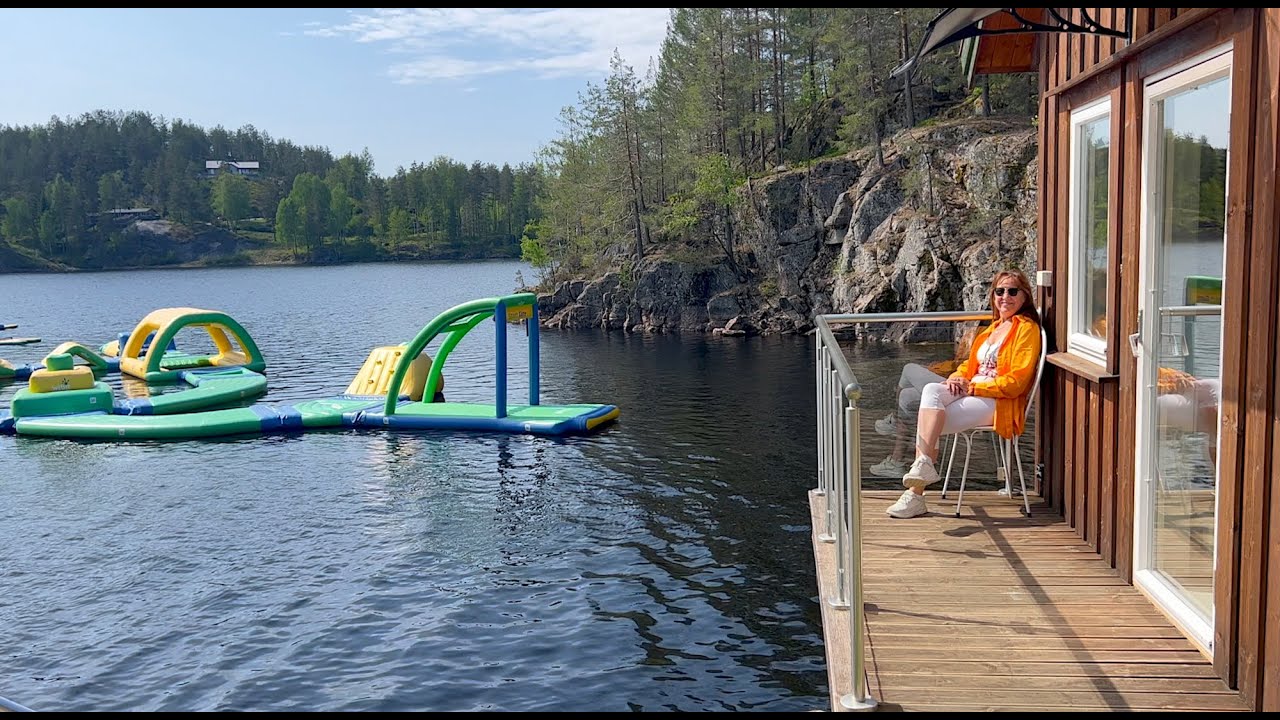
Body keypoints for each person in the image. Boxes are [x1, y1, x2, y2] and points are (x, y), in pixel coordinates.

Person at [886, 269, 1043, 519]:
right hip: (972, 392)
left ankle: (916, 493)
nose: (1005, 296)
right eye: (999, 291)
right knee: (930, 391)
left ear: (1025, 296)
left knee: (926, 420)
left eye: (1013, 291)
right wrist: (957, 377)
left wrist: (973, 387)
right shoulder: (990, 330)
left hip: (998, 402)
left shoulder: (1027, 330)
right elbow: (969, 367)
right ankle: (922, 471)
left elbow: (1016, 383)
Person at [869, 328, 978, 478]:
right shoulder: (991, 330)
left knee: (909, 369)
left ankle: (895, 422)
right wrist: (949, 373)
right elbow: (966, 364)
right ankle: (897, 461)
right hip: (961, 382)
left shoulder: (1003, 333)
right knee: (906, 397)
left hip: (972, 390)